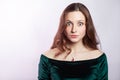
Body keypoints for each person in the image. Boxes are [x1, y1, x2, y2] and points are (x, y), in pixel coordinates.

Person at [38, 2, 108, 80]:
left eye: (80, 24)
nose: (74, 30)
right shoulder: (47, 58)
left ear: (87, 26)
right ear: (63, 26)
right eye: (69, 23)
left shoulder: (99, 58)